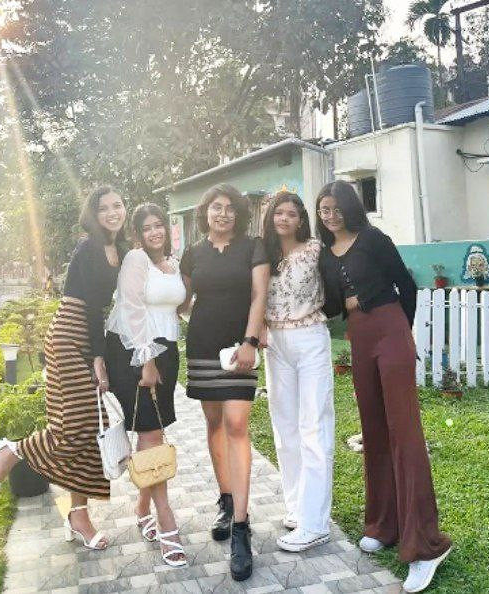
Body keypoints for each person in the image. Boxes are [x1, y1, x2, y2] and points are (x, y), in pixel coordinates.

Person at [316, 180, 451, 594]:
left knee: (404, 433)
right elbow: (333, 305)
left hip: (390, 330)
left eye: (337, 208)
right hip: (359, 338)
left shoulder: (373, 239)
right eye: (324, 209)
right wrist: (342, 302)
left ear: (350, 207)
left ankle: (426, 545)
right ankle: (383, 524)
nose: (331, 215)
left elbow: (406, 286)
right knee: (373, 431)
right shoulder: (325, 252)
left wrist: (400, 332)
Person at [0, 186, 128, 550]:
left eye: (117, 205)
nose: (112, 212)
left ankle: (79, 516)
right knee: (71, 428)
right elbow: (90, 306)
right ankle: (11, 452)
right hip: (68, 334)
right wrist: (98, 358)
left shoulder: (122, 250)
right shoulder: (88, 247)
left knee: (90, 430)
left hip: (91, 337)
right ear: (93, 214)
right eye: (104, 208)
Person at [180, 184, 270, 582]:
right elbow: (182, 300)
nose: (223, 213)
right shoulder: (192, 253)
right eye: (216, 207)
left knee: (236, 424)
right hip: (201, 347)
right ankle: (227, 500)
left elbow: (259, 295)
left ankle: (241, 528)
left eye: (230, 207)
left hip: (238, 348)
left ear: (239, 213)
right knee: (215, 423)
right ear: (205, 212)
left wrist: (250, 341)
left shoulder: (253, 247)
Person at [106, 203, 187, 568]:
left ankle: (142, 508)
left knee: (152, 431)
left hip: (167, 351)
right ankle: (165, 519)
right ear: (138, 234)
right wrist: (147, 360)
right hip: (136, 352)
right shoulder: (136, 260)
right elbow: (132, 308)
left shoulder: (172, 263)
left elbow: (179, 307)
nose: (155, 232)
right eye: (147, 227)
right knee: (151, 433)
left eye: (159, 225)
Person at [261, 191, 334, 552]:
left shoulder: (316, 249)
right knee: (285, 429)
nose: (285, 219)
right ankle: (297, 508)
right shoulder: (263, 253)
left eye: (292, 214)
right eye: (279, 212)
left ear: (301, 219)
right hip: (275, 343)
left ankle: (315, 523)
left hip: (310, 337)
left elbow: (336, 286)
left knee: (314, 427)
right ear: (270, 216)